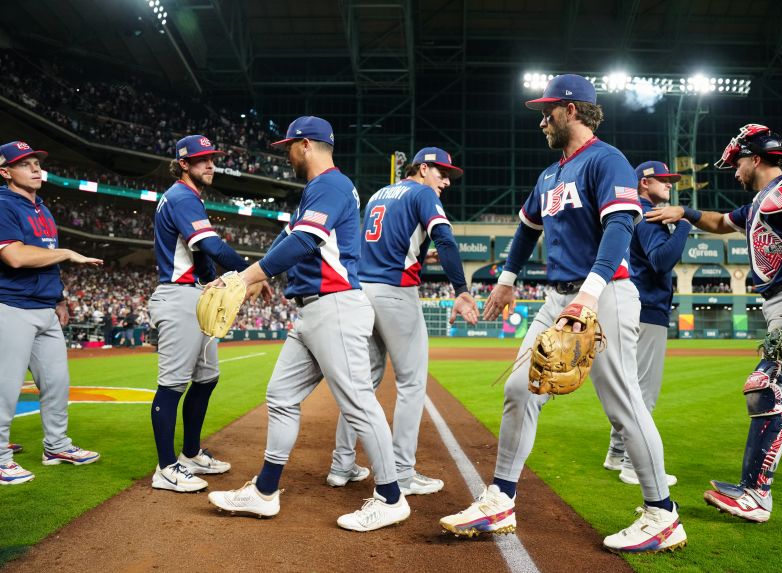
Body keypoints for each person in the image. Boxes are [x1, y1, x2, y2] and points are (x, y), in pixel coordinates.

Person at [439, 75, 687, 554]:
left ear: (572, 109)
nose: (541, 118)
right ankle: (501, 500)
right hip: (557, 297)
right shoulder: (551, 174)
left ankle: (662, 514)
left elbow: (619, 227)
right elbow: (526, 229)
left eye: (548, 109)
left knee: (623, 405)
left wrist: (589, 296)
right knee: (518, 387)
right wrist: (508, 278)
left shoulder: (606, 159)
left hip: (606, 294)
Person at [207, 116, 410, 532]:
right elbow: (287, 240)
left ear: (306, 145)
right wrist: (249, 276)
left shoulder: (331, 185)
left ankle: (391, 498)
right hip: (312, 311)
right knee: (280, 395)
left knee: (357, 403)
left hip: (335, 306)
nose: (287, 156)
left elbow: (302, 243)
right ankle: (264, 492)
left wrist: (244, 278)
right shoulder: (315, 192)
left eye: (289, 148)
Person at [648, 124, 782, 520]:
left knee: (767, 385)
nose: (735, 170)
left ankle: (755, 494)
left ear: (756, 158)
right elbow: (720, 222)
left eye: (738, 162)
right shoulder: (762, 201)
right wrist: (685, 212)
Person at [326, 147, 479, 494]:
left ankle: (342, 464)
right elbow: (445, 238)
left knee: (360, 383)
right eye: (442, 173)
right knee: (411, 385)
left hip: (363, 290)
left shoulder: (380, 193)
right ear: (423, 169)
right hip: (396, 291)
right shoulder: (422, 193)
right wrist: (461, 289)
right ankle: (403, 473)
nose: (446, 182)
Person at [148, 134, 270, 493]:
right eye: (201, 159)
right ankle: (166, 467)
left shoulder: (188, 198)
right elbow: (210, 245)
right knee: (171, 385)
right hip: (178, 297)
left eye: (212, 158)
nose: (210, 164)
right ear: (183, 164)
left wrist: (215, 279)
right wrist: (253, 271)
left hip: (196, 294)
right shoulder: (183, 196)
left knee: (207, 378)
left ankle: (189, 453)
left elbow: (200, 255)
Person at [0, 140, 102, 486]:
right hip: (11, 305)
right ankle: (0, 457)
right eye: (24, 164)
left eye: (36, 162)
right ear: (5, 172)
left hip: (45, 308)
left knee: (57, 384)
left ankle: (56, 446)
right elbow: (14, 257)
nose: (35, 168)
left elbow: (44, 260)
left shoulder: (43, 210)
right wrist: (67, 253)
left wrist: (59, 299)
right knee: (6, 388)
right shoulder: (3, 205)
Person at [603, 161, 691, 486]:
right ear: (644, 183)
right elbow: (661, 260)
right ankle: (631, 464)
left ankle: (615, 454)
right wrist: (683, 225)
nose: (669, 185)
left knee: (629, 384)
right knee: (643, 391)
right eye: (663, 180)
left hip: (631, 305)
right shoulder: (649, 214)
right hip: (647, 307)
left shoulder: (630, 212)